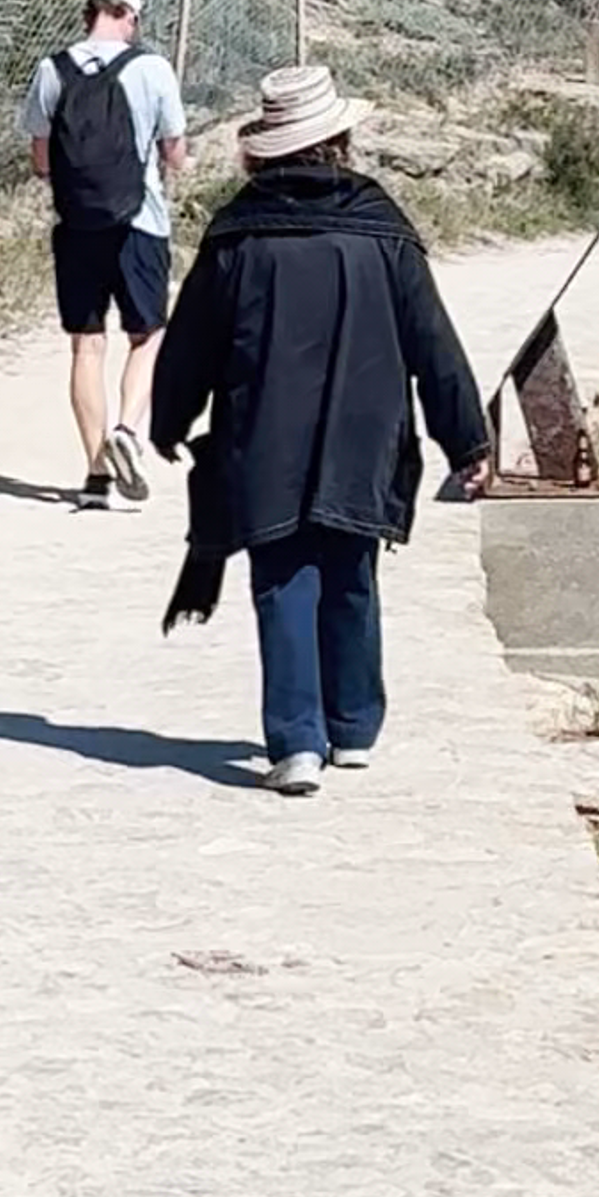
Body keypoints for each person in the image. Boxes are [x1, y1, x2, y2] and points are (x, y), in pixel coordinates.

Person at [147, 61, 490, 788]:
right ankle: (354, 726)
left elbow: (192, 340)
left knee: (282, 577)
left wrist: (169, 417)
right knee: (351, 573)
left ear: (265, 148)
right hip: (365, 433)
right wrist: (467, 440)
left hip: (263, 433)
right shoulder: (382, 229)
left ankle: (298, 743)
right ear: (341, 140)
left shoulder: (238, 235)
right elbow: (433, 341)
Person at [23, 0, 190, 507]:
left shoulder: (53, 69)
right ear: (131, 18)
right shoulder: (152, 68)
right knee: (148, 335)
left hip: (76, 225)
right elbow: (175, 152)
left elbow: (41, 160)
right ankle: (126, 429)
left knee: (86, 345)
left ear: (87, 14)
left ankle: (95, 473)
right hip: (140, 221)